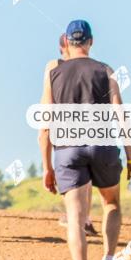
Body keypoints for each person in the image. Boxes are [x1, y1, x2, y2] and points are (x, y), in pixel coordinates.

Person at [39, 20, 131, 260]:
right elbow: (122, 116)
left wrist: (46, 166)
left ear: (67, 42)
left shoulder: (53, 72)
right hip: (102, 147)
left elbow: (45, 124)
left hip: (68, 150)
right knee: (111, 203)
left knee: (75, 218)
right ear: (91, 41)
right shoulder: (105, 70)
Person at [47, 34, 99, 237]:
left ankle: (77, 217)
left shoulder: (55, 66)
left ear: (64, 46)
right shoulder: (90, 67)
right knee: (86, 178)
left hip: (66, 133)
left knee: (72, 174)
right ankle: (84, 218)